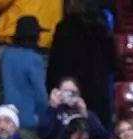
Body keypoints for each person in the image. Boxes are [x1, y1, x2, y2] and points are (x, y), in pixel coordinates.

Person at [44, 1, 117, 130]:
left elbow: (55, 66)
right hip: (97, 94)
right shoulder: (104, 30)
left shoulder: (65, 28)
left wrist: (53, 88)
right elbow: (113, 64)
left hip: (70, 92)